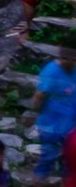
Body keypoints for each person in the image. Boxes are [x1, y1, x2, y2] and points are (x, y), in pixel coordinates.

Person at [36, 46, 76, 180]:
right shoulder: (51, 72)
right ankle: (40, 180)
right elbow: (40, 96)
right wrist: (40, 115)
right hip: (50, 125)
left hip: (70, 125)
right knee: (47, 159)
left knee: (68, 164)